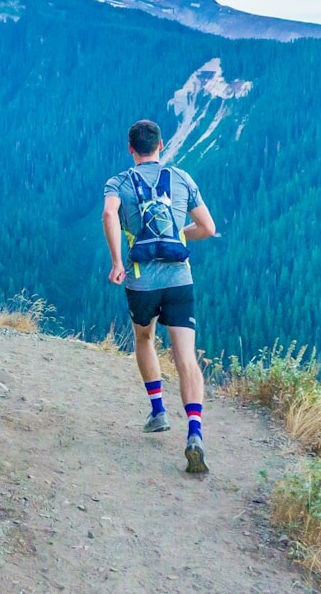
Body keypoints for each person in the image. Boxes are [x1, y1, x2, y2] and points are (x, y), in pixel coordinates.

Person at [102, 119, 217, 474]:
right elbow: (208, 228)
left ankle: (158, 411)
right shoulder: (182, 179)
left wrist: (118, 261)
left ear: (130, 149)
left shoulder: (118, 182)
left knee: (144, 337)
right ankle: (195, 433)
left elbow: (109, 213)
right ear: (161, 145)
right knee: (186, 355)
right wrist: (178, 235)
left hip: (141, 281)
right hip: (180, 279)